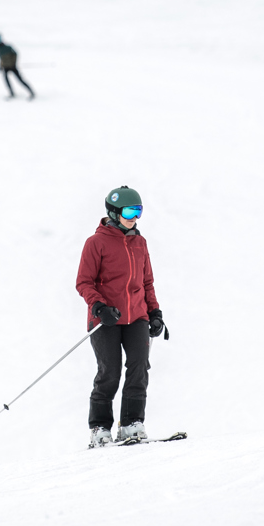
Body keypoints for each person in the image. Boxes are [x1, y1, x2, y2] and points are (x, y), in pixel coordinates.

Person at [76, 186, 167, 447]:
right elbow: (84, 282)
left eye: (138, 211)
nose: (134, 217)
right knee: (110, 373)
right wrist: (99, 307)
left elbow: (146, 282)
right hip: (107, 320)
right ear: (114, 212)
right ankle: (99, 428)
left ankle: (131, 424)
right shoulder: (96, 243)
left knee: (139, 368)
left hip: (137, 316)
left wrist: (155, 312)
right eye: (129, 211)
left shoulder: (140, 242)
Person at [0, 34, 34, 100]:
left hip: (12, 66)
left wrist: (13, 63)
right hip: (5, 67)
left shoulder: (8, 47)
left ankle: (32, 92)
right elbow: (1, 59)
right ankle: (11, 93)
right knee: (6, 81)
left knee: (20, 80)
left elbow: (15, 54)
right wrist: (0, 66)